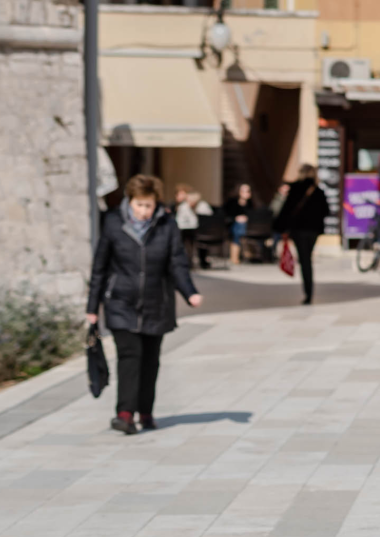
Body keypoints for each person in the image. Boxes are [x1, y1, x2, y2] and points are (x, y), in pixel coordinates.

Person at [86, 174, 203, 435]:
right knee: (130, 356)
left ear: (156, 204)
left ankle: (146, 411)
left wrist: (190, 292)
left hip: (156, 303)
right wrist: (92, 308)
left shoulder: (167, 225)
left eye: (148, 205)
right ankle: (125, 414)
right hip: (121, 303)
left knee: (150, 361)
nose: (144, 211)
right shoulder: (114, 223)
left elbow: (177, 263)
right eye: (139, 205)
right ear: (130, 201)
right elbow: (100, 267)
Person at [273, 165, 329, 305]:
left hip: (299, 230)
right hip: (313, 231)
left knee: (305, 260)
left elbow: (287, 210)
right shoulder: (318, 191)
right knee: (306, 259)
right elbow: (326, 211)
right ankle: (309, 292)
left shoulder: (296, 189)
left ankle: (308, 293)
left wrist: (280, 228)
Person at [223, 182, 255, 264]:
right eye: (243, 191)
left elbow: (253, 215)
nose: (246, 193)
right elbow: (226, 215)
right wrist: (236, 218)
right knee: (239, 226)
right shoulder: (232, 202)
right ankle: (245, 250)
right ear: (238, 192)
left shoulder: (251, 203)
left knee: (241, 226)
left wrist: (246, 218)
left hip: (248, 226)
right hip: (232, 225)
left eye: (248, 191)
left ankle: (238, 254)